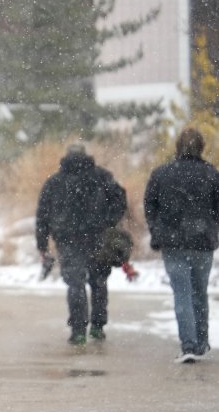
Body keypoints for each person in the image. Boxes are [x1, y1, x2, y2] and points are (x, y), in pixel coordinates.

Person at [36, 143, 128, 345]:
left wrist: (42, 244)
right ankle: (97, 326)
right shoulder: (102, 176)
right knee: (98, 282)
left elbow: (42, 215)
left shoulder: (54, 182)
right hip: (98, 236)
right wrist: (109, 221)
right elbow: (121, 198)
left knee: (75, 283)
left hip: (67, 239)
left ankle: (78, 330)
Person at [144, 127, 219, 363]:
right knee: (199, 293)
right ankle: (201, 342)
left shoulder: (161, 174)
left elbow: (150, 205)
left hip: (173, 243)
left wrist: (157, 229)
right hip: (202, 242)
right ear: (201, 147)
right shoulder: (211, 174)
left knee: (182, 294)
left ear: (177, 147)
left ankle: (188, 344)